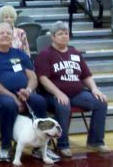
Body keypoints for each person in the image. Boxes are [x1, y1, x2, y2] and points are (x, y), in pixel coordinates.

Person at [0, 22, 49, 163]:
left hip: (23, 93)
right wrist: (12, 97)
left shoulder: (20, 53)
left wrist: (28, 91)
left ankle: (40, 147)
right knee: (9, 104)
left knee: (39, 101)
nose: (5, 35)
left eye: (8, 33)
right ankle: (5, 146)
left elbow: (33, 77)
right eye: (1, 33)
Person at [35, 21, 109, 157]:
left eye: (66, 33)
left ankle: (96, 141)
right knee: (64, 105)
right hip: (53, 95)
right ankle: (63, 145)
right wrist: (58, 93)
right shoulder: (45, 54)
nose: (64, 36)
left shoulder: (75, 52)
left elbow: (86, 75)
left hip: (77, 93)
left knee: (101, 102)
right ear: (52, 36)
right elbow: (43, 79)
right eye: (60, 34)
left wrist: (94, 89)